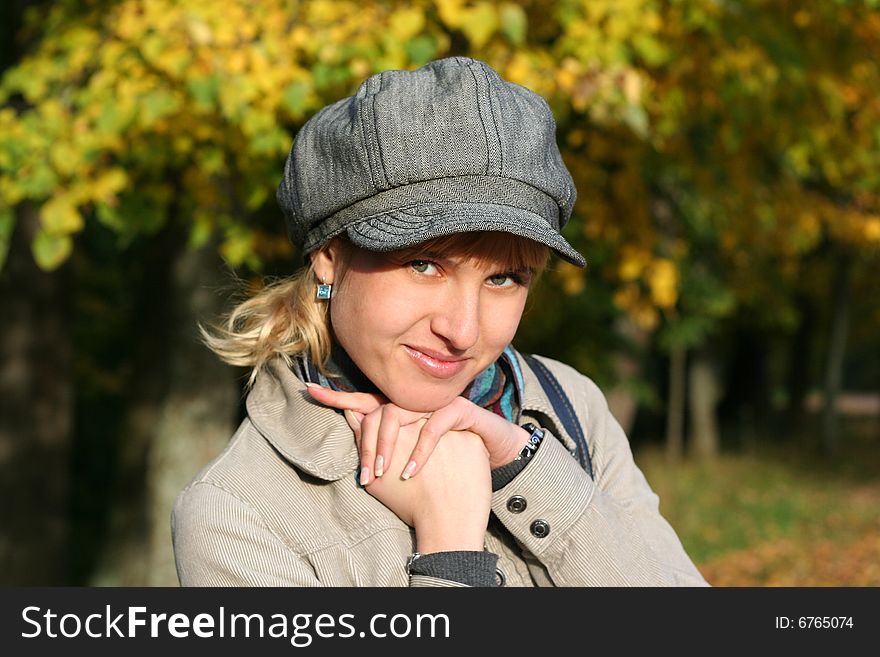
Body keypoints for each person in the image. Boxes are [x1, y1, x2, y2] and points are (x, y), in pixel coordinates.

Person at [171, 56, 708, 587]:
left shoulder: (569, 408)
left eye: (504, 279)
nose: (464, 332)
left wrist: (527, 471)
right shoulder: (239, 516)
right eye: (424, 265)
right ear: (329, 255)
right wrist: (449, 553)